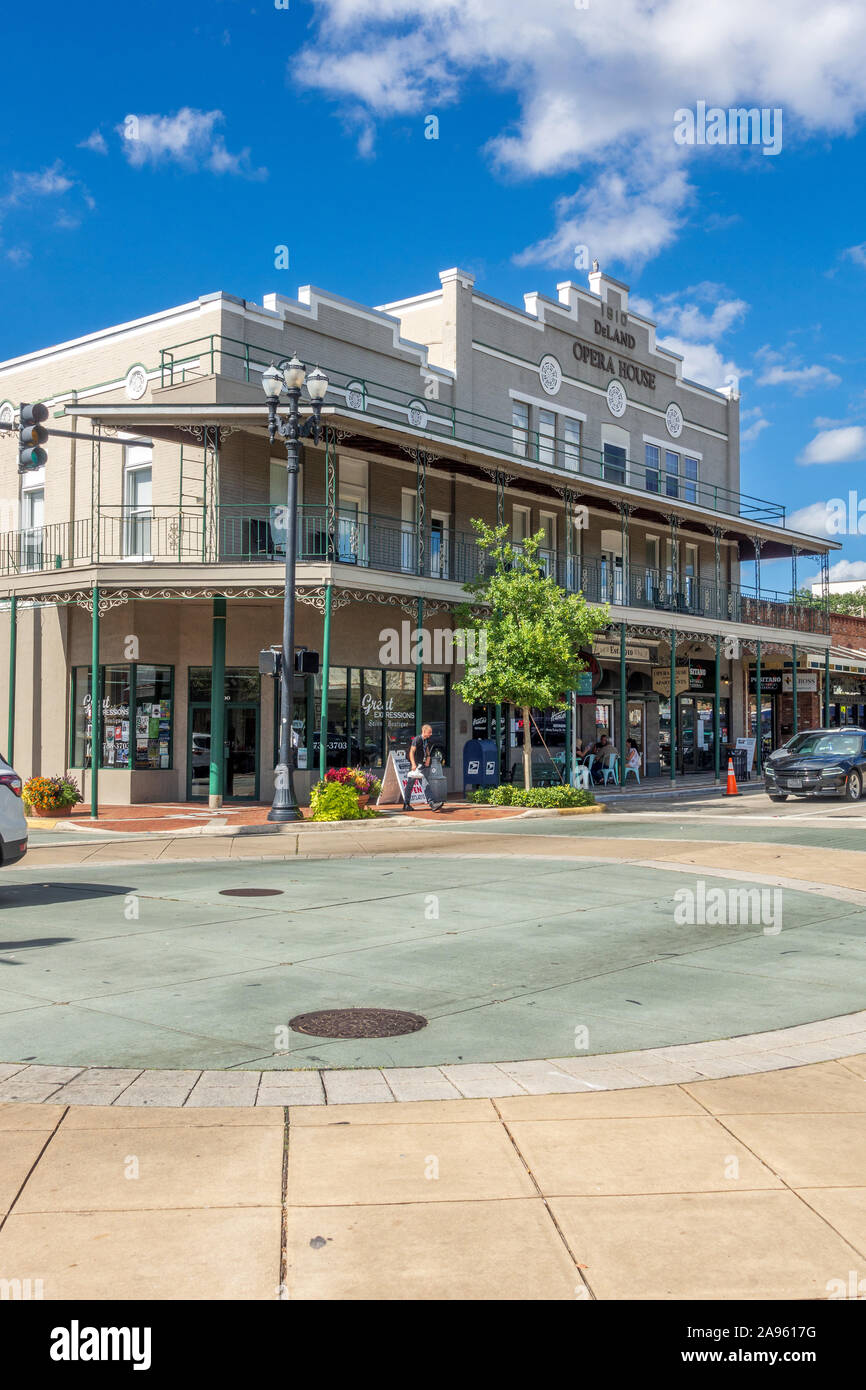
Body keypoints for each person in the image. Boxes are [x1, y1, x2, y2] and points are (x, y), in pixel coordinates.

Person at [403, 722, 433, 810]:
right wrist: (413, 764)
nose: (431, 734)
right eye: (429, 732)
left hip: (422, 766)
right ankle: (406, 804)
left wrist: (428, 757)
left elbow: (426, 749)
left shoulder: (426, 740)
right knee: (410, 785)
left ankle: (432, 803)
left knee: (425, 784)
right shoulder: (417, 739)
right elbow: (411, 752)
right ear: (424, 731)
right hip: (415, 766)